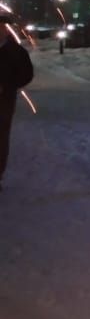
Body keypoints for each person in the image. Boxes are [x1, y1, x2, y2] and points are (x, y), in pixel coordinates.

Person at [0, 15, 34, 192]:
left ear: (5, 30)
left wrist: (7, 86)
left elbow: (26, 74)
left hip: (4, 101)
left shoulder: (16, 51)